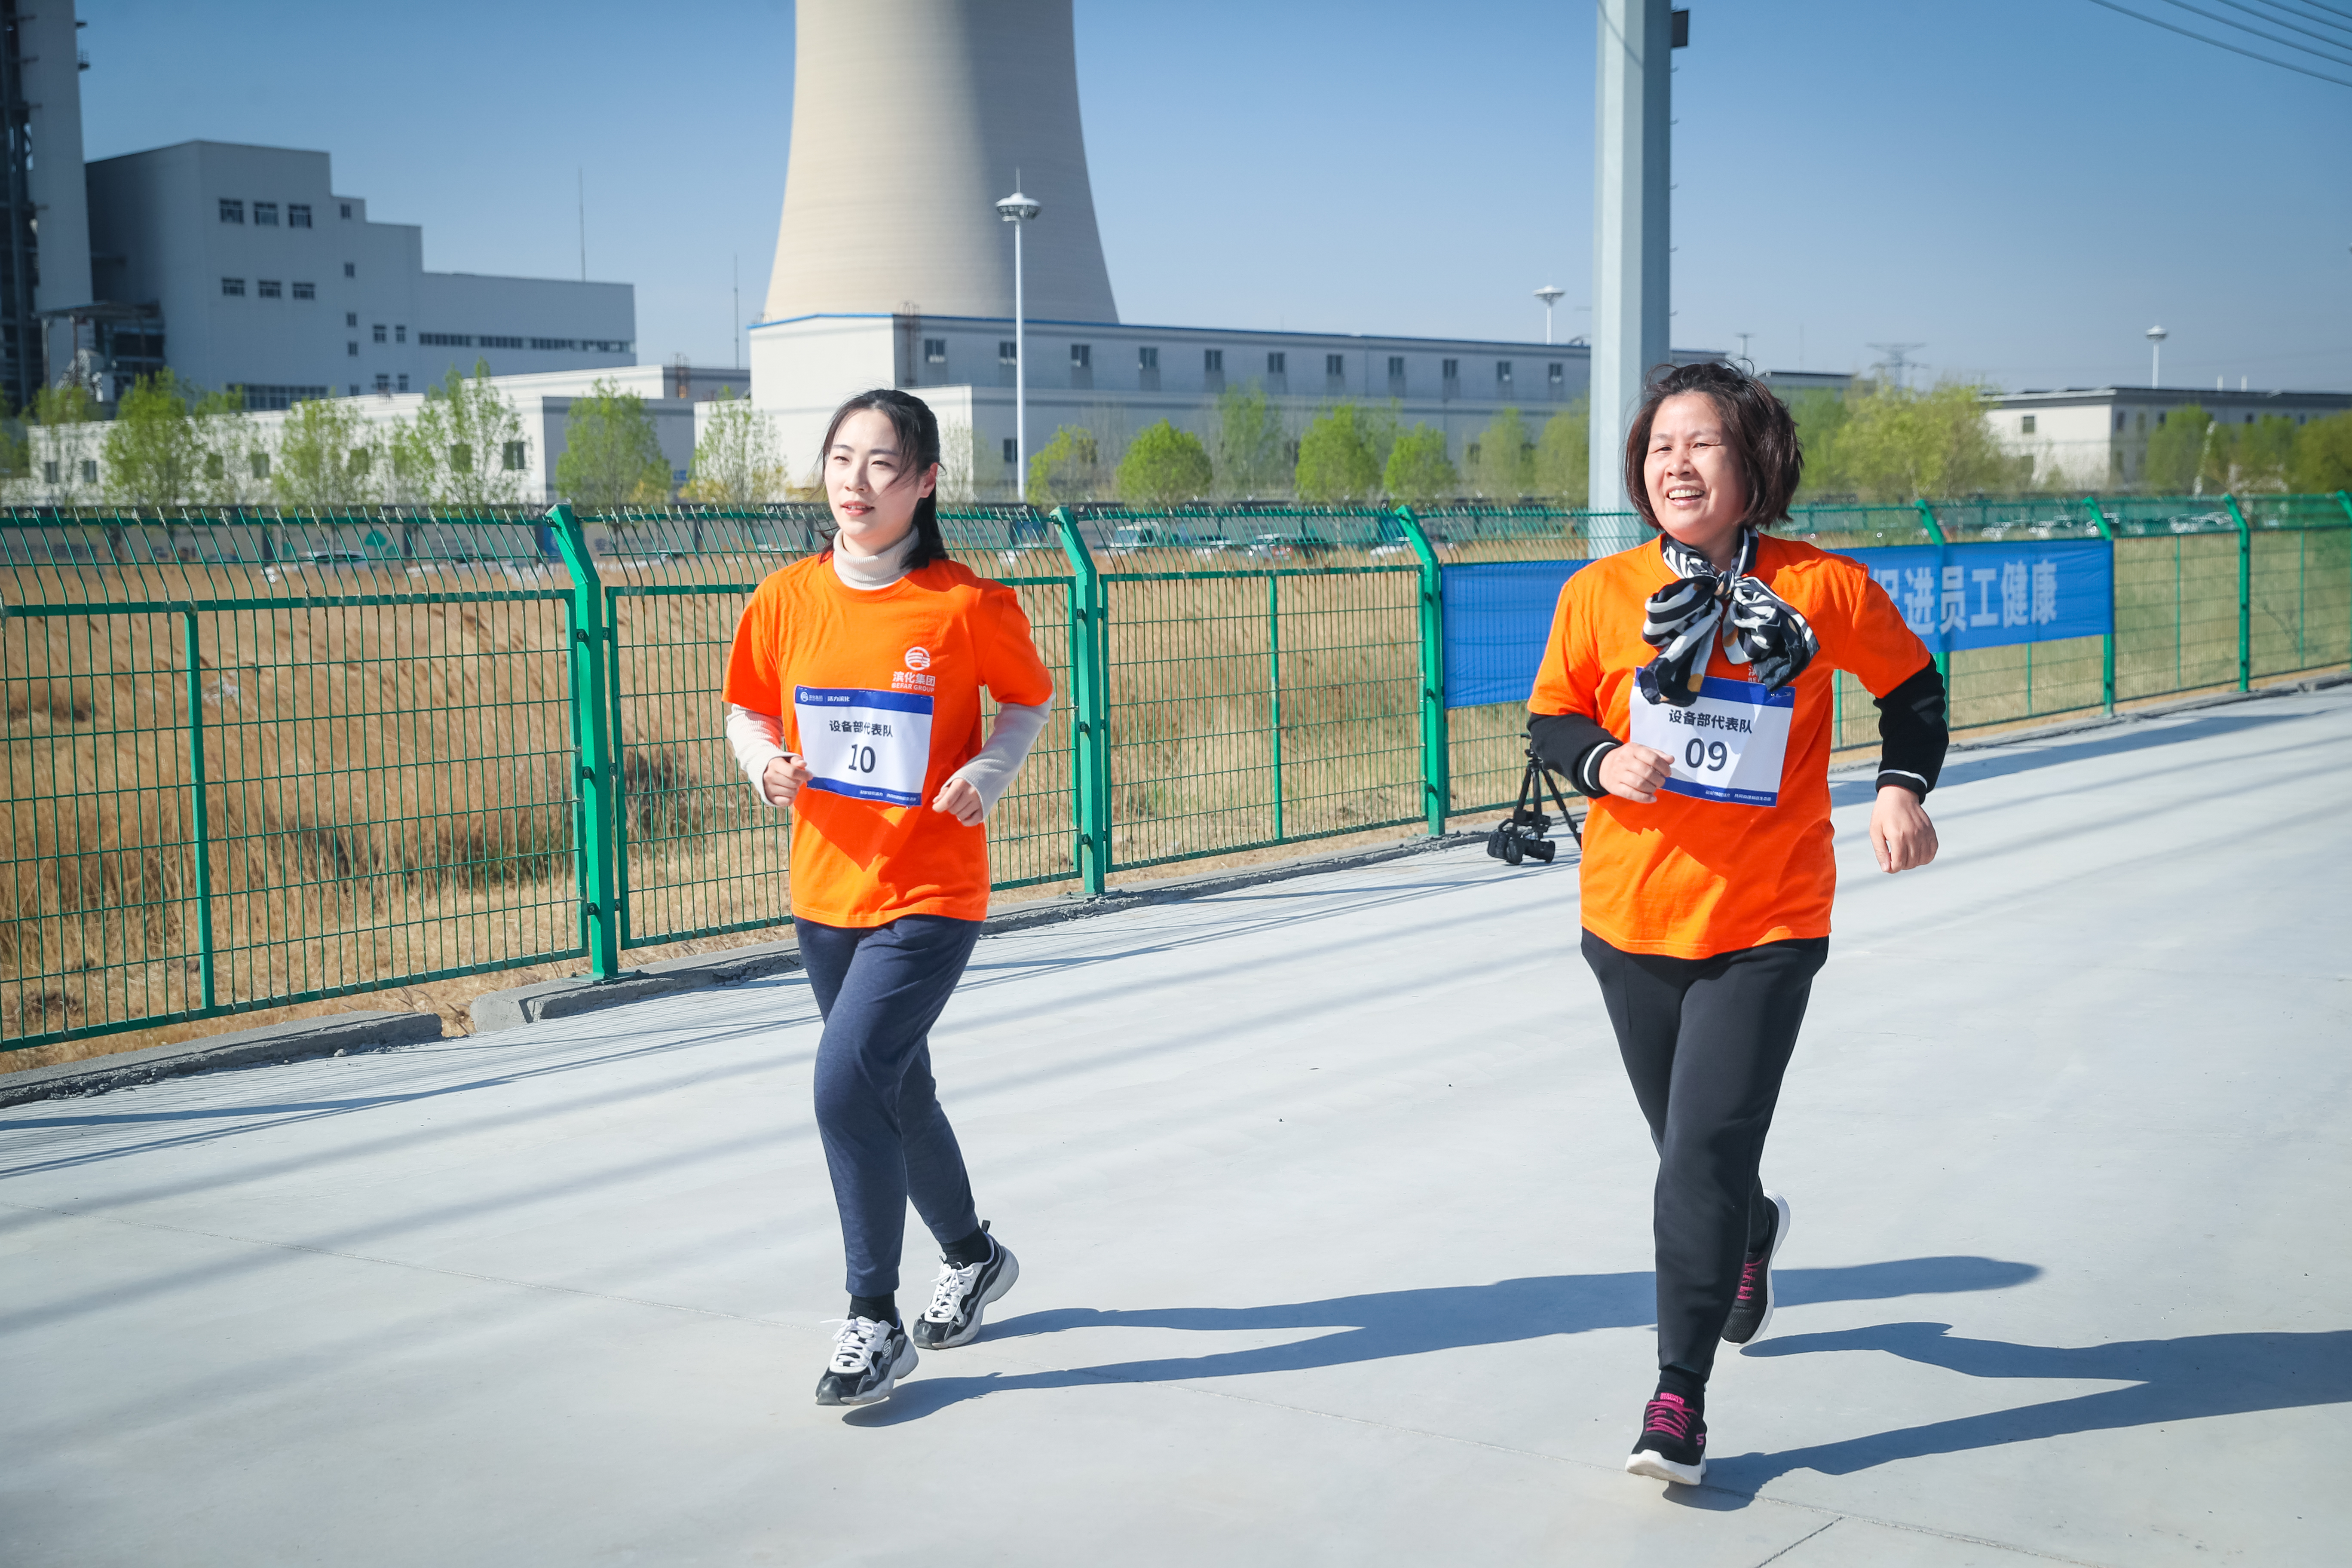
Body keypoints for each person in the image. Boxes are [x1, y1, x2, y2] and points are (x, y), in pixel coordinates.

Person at [1526, 361, 1948, 1485]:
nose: (1676, 463)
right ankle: (1752, 1232)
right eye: (1660, 445)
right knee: (1694, 1156)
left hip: (1767, 922)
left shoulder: (1825, 588)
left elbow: (1912, 688)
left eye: (1701, 443)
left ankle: (1679, 1397)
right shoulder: (1599, 592)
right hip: (1628, 920)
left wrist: (1902, 786)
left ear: (1754, 462)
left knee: (1697, 1158)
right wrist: (1604, 759)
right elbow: (1552, 713)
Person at [723, 388, 1055, 1407]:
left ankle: (874, 1316)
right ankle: (975, 1254)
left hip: (931, 891)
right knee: (896, 1089)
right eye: (841, 459)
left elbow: (1028, 701)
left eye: (880, 464)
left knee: (843, 1087)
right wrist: (763, 764)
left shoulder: (966, 605)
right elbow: (744, 702)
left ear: (924, 483)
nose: (855, 482)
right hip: (825, 890)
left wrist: (989, 773)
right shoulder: (786, 598)